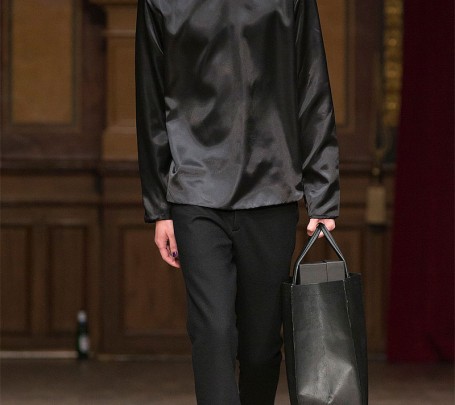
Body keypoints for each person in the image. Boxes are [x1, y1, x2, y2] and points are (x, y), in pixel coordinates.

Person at [135, 0, 339, 404]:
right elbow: (151, 96)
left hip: (272, 185)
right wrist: (159, 206)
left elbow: (311, 83)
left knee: (262, 347)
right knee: (211, 332)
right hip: (195, 189)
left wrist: (322, 195)